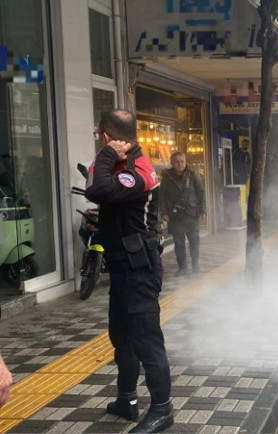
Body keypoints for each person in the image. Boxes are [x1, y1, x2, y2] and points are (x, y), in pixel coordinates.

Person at [85, 109, 174, 433]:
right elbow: (97, 184)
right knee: (121, 338)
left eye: (101, 138)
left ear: (107, 137)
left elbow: (97, 190)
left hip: (139, 271)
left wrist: (107, 155)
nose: (99, 143)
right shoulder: (121, 164)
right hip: (123, 269)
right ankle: (127, 399)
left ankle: (163, 409)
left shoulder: (138, 168)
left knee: (147, 340)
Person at [159, 152, 207, 275]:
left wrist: (203, 209)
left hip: (191, 213)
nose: (180, 164)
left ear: (185, 162)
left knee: (194, 241)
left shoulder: (192, 175)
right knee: (179, 244)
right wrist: (164, 212)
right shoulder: (167, 177)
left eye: (182, 161)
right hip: (175, 215)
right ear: (172, 163)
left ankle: (196, 266)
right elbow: (162, 196)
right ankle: (182, 268)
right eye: (177, 162)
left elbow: (201, 192)